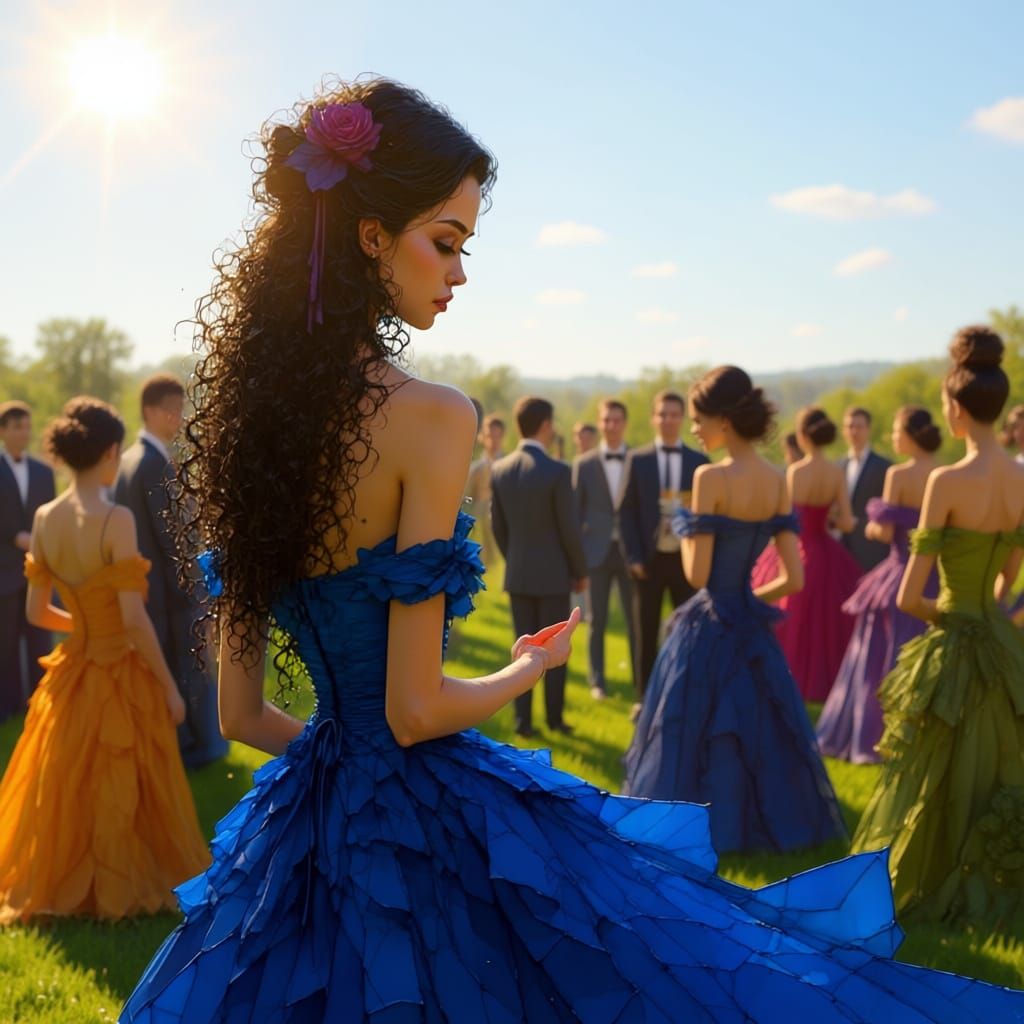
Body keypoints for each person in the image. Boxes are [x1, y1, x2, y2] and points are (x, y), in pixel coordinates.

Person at [120, 80, 1024, 1023]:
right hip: (424, 812)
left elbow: (242, 712)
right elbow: (415, 705)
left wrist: (345, 773)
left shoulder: (248, 435)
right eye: (447, 242)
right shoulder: (432, 418)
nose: (460, 272)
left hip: (298, 836)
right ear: (370, 235)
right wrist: (528, 665)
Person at [0, 397, 208, 924]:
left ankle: (72, 885)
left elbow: (35, 610)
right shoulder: (114, 517)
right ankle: (112, 890)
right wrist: (169, 686)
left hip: (71, 667)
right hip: (118, 666)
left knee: (68, 779)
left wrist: (84, 626)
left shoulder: (45, 518)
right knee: (121, 780)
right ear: (112, 451)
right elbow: (134, 618)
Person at [624, 366, 846, 852]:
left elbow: (697, 576)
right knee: (758, 729)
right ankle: (759, 826)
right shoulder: (776, 480)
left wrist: (682, 529)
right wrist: (751, 598)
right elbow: (795, 577)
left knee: (690, 730)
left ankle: (701, 828)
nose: (695, 428)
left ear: (724, 420)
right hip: (749, 624)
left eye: (699, 418)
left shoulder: (708, 477)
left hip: (707, 623)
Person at [852, 327, 1024, 925]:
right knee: (999, 766)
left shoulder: (945, 482)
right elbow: (1008, 580)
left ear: (953, 408)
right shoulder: (1022, 479)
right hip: (1002, 642)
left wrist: (951, 618)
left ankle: (941, 884)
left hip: (953, 637)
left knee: (934, 777)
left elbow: (908, 594)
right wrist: (991, 620)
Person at [114, 373, 228, 770]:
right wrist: (199, 591)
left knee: (175, 670)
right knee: (191, 672)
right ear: (151, 411)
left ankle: (180, 745)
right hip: (173, 591)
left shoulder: (130, 459)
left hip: (152, 591)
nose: (179, 418)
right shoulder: (151, 463)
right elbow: (173, 538)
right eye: (173, 410)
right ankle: (202, 748)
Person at [817, 407, 941, 763]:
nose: (893, 437)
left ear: (913, 433)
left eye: (898, 430)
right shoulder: (943, 474)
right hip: (935, 579)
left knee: (878, 663)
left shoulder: (898, 475)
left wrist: (870, 526)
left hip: (900, 574)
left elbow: (884, 532)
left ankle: (876, 734)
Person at [491, 396, 587, 736]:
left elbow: (498, 528)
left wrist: (514, 557)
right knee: (555, 650)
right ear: (546, 425)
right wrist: (580, 571)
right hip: (553, 577)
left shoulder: (499, 469)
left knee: (524, 649)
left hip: (517, 574)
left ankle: (523, 723)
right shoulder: (557, 471)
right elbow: (569, 529)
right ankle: (555, 719)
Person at [755, 407, 863, 701]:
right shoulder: (836, 473)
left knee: (791, 619)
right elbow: (845, 521)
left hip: (796, 550)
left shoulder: (795, 472)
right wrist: (829, 519)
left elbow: (783, 519)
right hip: (826, 553)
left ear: (802, 436)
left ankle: (785, 678)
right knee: (824, 625)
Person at [620, 390, 709, 717]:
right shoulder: (638, 459)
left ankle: (687, 693)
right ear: (653, 418)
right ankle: (643, 698)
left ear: (683, 418)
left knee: (689, 630)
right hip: (648, 561)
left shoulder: (699, 462)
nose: (669, 420)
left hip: (687, 563)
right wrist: (634, 559)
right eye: (663, 414)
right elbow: (626, 511)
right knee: (645, 631)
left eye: (675, 414)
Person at [572, 398, 635, 700]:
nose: (611, 425)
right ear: (600, 424)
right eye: (606, 420)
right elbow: (574, 513)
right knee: (596, 621)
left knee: (636, 619)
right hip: (595, 553)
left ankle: (642, 682)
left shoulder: (639, 460)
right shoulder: (583, 464)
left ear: (625, 424)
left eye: (616, 420)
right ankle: (597, 681)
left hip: (631, 553)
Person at [0, 401, 55, 721]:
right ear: (3, 431)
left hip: (39, 568)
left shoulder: (43, 472)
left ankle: (40, 700)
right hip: (5, 569)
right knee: (5, 641)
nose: (23, 432)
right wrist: (13, 538)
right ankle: (6, 705)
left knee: (39, 636)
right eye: (16, 426)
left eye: (26, 426)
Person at [840, 406, 891, 571]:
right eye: (849, 427)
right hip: (841, 550)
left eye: (859, 426)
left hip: (872, 552)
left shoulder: (885, 467)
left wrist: (857, 523)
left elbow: (888, 513)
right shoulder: (837, 466)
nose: (854, 431)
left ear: (868, 430)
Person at [463, 413, 505, 568]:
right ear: (483, 437)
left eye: (497, 436)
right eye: (489, 436)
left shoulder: (509, 465)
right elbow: (467, 497)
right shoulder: (475, 468)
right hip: (480, 521)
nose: (493, 440)